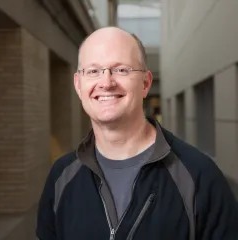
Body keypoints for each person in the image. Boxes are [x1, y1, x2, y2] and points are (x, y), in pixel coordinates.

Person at [36, 27, 238, 240]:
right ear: (78, 84)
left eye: (121, 70)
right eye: (93, 71)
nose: (106, 82)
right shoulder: (61, 177)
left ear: (146, 83)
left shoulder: (199, 176)